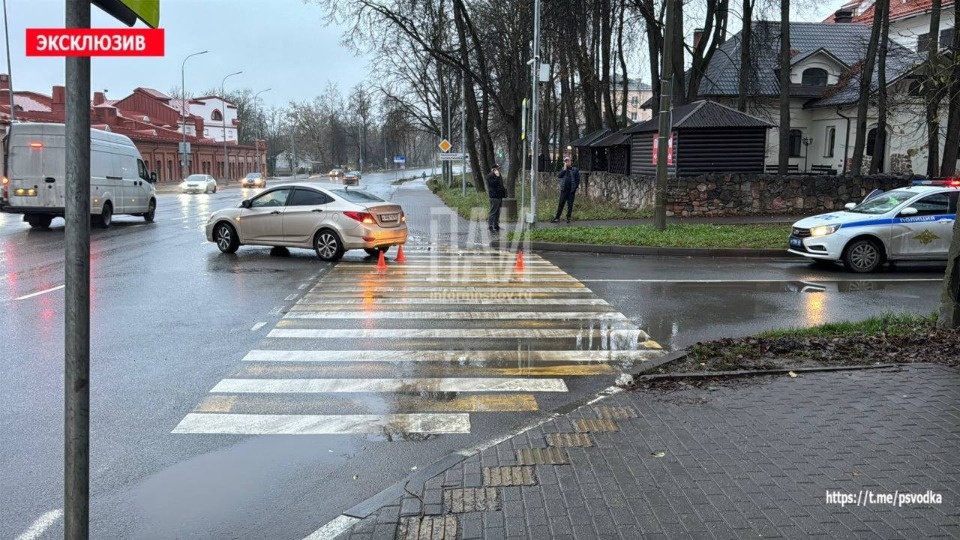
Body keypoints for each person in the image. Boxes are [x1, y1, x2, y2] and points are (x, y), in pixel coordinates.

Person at [552, 156, 580, 223]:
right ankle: (557, 218)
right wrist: (564, 169)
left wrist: (575, 187)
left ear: (571, 162)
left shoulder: (575, 169)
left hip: (571, 190)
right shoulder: (563, 169)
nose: (567, 162)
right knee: (561, 203)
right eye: (566, 161)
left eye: (568, 161)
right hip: (564, 190)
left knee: (570, 205)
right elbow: (559, 176)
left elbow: (578, 179)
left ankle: (568, 218)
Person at [486, 164, 507, 232]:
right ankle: (490, 226)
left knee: (498, 212)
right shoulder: (490, 176)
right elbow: (493, 184)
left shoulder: (498, 175)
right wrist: (497, 177)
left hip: (499, 196)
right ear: (493, 170)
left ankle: (496, 225)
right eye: (497, 169)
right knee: (493, 211)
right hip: (494, 196)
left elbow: (500, 184)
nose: (498, 170)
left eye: (498, 169)